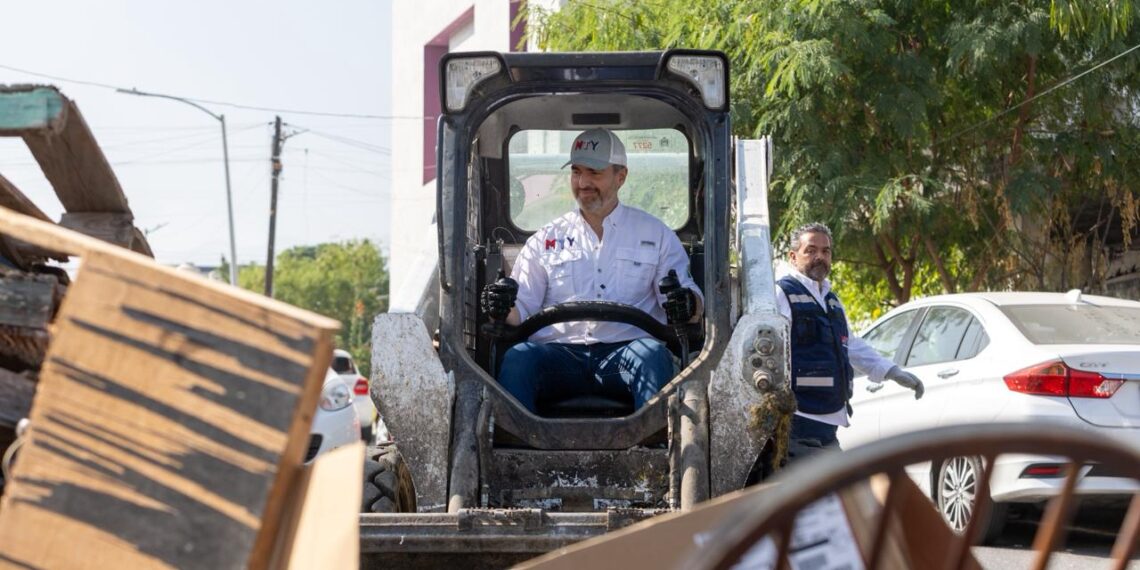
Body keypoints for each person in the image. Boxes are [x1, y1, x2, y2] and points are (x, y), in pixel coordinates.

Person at [480, 128, 703, 414]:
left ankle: (654, 450)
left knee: (653, 356)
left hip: (627, 353)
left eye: (594, 172)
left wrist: (687, 303)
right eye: (576, 172)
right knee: (518, 359)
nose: (583, 182)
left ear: (620, 177)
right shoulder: (546, 239)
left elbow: (689, 300)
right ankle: (512, 453)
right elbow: (520, 309)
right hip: (558, 356)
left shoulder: (656, 235)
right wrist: (499, 305)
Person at [775, 222, 924, 462]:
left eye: (826, 251)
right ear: (793, 256)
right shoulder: (782, 294)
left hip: (829, 421)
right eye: (811, 250)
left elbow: (851, 345)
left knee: (835, 494)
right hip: (799, 420)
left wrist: (891, 371)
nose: (819, 257)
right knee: (829, 494)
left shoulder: (832, 300)